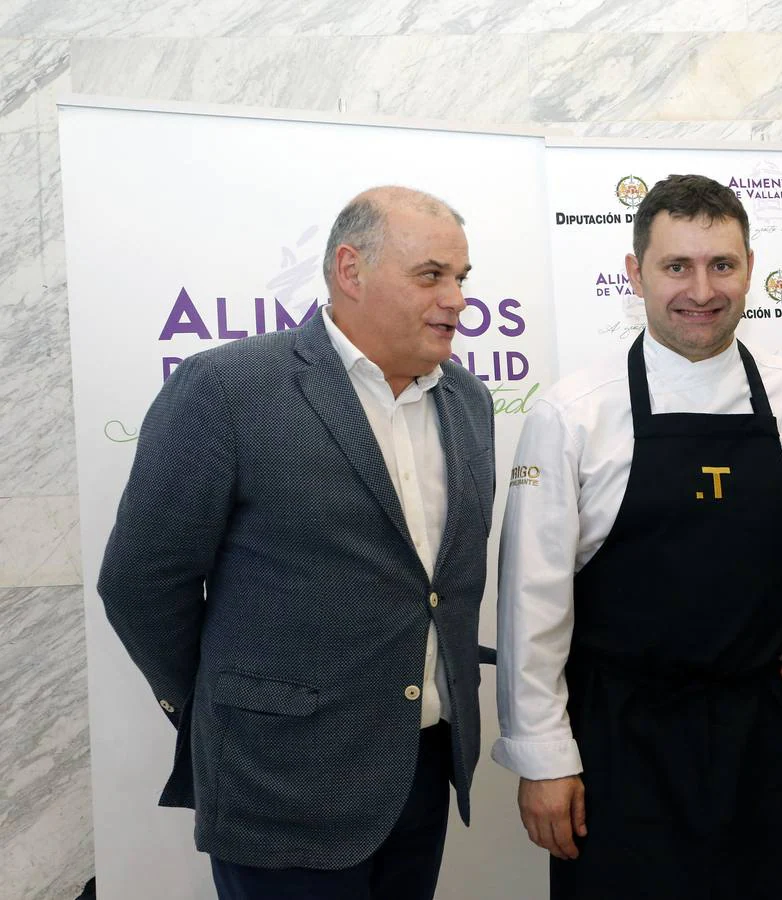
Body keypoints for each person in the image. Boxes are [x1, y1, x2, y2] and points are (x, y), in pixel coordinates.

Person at [98, 186, 496, 900]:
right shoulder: (227, 388)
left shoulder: (467, 402)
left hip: (422, 774)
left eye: (462, 278)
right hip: (277, 779)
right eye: (431, 274)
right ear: (351, 270)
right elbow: (140, 582)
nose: (456, 299)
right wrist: (226, 705)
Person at [494, 174, 782, 898]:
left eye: (722, 264)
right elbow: (532, 599)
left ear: (750, 266)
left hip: (761, 734)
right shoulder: (573, 413)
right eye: (676, 266)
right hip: (619, 742)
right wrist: (544, 758)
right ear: (635, 274)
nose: (702, 289)